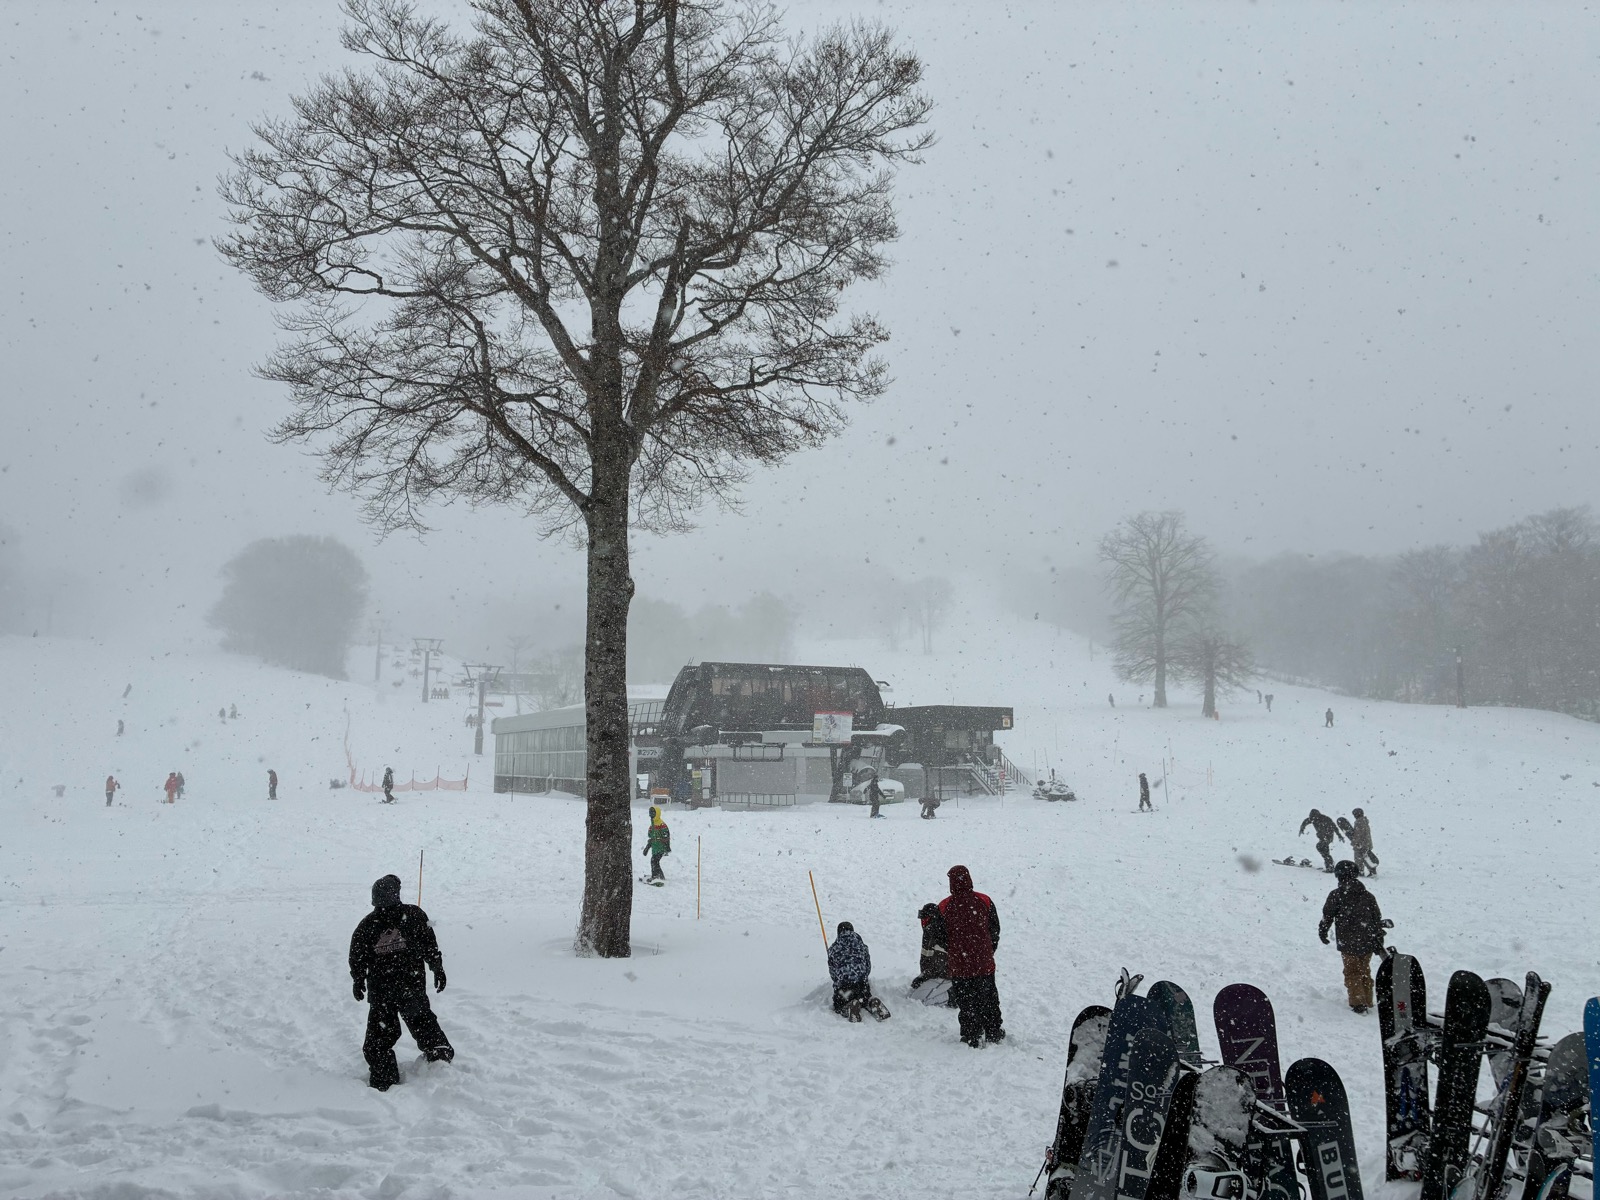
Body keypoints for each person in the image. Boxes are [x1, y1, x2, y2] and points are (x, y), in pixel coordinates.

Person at [348, 874, 453, 1090]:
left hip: (399, 990)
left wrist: (437, 967)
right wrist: (358, 978)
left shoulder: (408, 916)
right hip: (395, 991)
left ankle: (435, 1065)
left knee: (402, 1032)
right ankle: (387, 1079)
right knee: (392, 1036)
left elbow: (429, 945)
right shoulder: (373, 924)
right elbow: (357, 956)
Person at [939, 865, 1004, 1046]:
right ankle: (993, 1031)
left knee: (966, 1002)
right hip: (984, 963)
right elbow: (995, 929)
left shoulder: (944, 906)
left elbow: (940, 936)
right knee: (989, 999)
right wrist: (988, 950)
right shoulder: (984, 900)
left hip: (960, 965)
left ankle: (971, 1034)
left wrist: (954, 951)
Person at [1318, 860, 1386, 1013]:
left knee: (1352, 972)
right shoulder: (1368, 896)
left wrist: (1322, 931)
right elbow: (1377, 918)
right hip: (1367, 940)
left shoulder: (1336, 895)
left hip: (1348, 941)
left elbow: (1327, 916)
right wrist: (1378, 938)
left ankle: (1358, 1002)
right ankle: (1368, 1000)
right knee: (1364, 970)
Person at [827, 921, 887, 1021]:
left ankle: (849, 1006)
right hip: (861, 985)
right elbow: (868, 967)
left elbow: (833, 973)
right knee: (864, 996)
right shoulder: (862, 946)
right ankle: (870, 1002)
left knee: (839, 1003)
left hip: (844, 987)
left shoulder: (834, 949)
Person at [910, 903, 949, 991]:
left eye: (923, 918)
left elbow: (938, 967)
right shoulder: (937, 928)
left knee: (920, 1000)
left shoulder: (933, 932)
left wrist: (923, 978)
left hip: (943, 981)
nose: (922, 921)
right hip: (943, 978)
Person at [642, 806, 671, 881]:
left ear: (657, 814)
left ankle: (655, 876)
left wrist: (667, 847)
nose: (651, 815)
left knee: (654, 861)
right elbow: (650, 836)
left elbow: (666, 835)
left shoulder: (662, 824)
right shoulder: (653, 824)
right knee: (655, 861)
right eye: (650, 813)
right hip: (655, 847)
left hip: (660, 847)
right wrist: (647, 848)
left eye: (653, 813)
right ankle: (660, 877)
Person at [1349, 807, 1379, 877]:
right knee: (1366, 858)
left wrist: (1354, 842)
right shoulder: (1364, 821)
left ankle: (1360, 872)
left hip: (1361, 844)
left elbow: (1358, 834)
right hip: (1366, 843)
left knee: (1358, 859)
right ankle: (1372, 871)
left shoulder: (1359, 822)